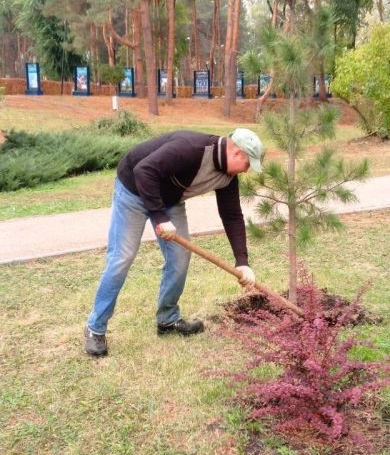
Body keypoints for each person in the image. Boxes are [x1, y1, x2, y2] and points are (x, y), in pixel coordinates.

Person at [84, 128, 265, 356]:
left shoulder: (228, 177)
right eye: (249, 164)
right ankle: (95, 329)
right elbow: (144, 170)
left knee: (180, 257)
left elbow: (231, 215)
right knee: (122, 257)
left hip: (170, 199)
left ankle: (167, 320)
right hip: (133, 190)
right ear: (237, 153)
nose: (248, 170)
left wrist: (242, 261)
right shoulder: (192, 149)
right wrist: (159, 217)